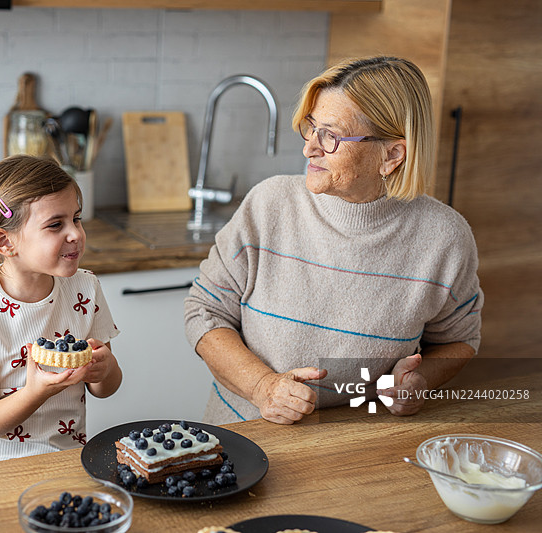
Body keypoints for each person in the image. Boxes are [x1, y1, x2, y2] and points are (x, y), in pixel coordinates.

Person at [184, 56, 483, 425]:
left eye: (331, 135)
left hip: (358, 449)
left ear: (391, 155)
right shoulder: (269, 205)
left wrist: (420, 381)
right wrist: (263, 386)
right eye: (311, 128)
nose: (310, 147)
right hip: (245, 436)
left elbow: (460, 340)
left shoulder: (445, 238)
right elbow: (204, 312)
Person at [0, 155, 122, 466]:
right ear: (5, 242)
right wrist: (36, 392)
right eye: (55, 225)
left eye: (76, 219)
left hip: (68, 461)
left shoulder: (85, 288)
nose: (76, 233)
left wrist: (104, 370)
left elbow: (105, 388)